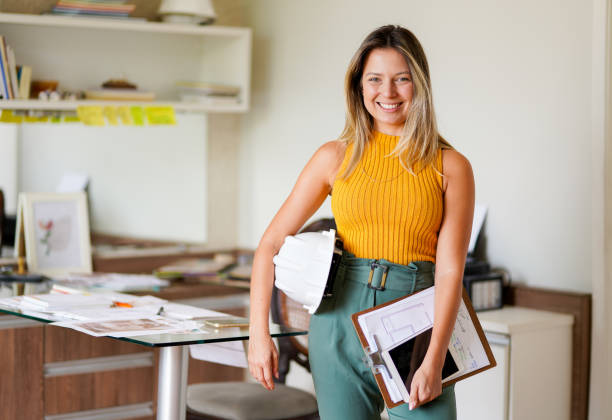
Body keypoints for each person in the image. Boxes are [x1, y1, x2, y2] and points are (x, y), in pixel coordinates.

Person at [248, 24, 474, 420]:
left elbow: (451, 270)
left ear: (418, 85)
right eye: (375, 79)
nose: (387, 93)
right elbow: (269, 245)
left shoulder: (450, 166)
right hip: (337, 323)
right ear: (359, 86)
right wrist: (257, 334)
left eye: (401, 80)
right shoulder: (334, 157)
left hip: (415, 323)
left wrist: (435, 358)